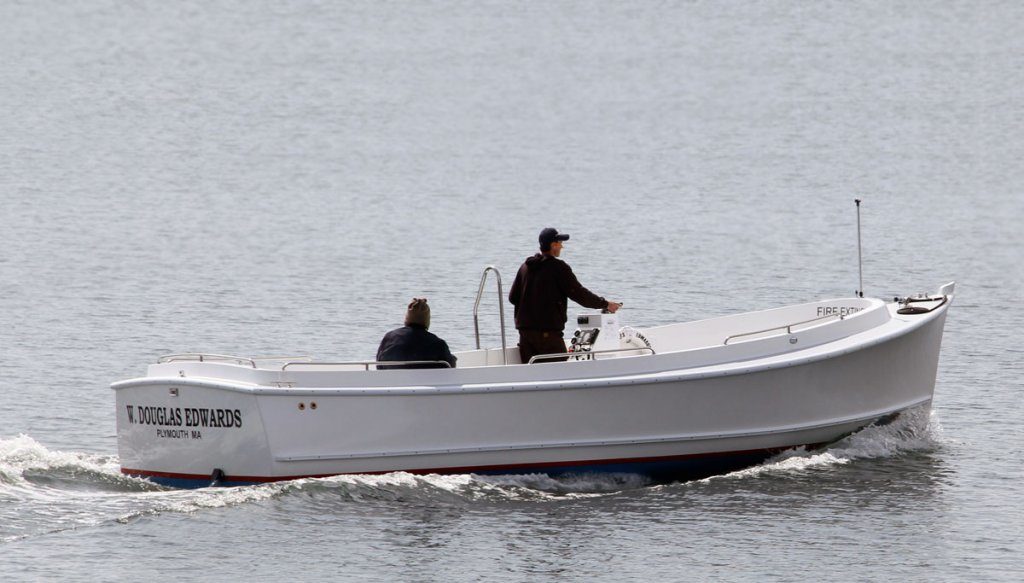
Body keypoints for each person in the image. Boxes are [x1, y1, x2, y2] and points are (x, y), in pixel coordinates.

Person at [508, 228, 622, 364]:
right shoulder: (558, 268)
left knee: (532, 377)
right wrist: (606, 304)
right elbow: (580, 294)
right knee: (560, 373)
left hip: (525, 335)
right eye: (559, 243)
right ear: (553, 245)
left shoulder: (525, 267)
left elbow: (512, 298)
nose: (562, 246)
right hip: (548, 336)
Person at [376, 298, 457, 370]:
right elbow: (450, 367)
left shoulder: (389, 337)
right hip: (426, 383)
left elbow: (379, 364)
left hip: (391, 382)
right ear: (427, 320)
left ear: (407, 318)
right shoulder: (438, 343)